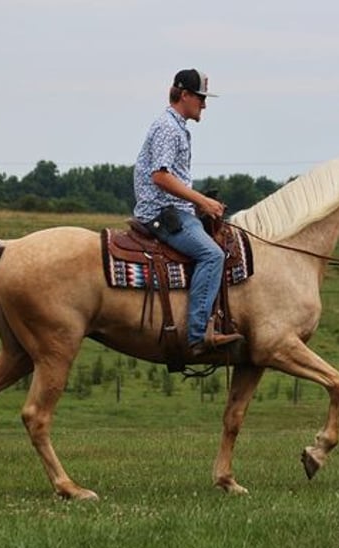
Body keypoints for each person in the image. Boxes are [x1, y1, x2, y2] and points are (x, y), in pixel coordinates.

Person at [133, 69, 244, 356]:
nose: (204, 105)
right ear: (184, 95)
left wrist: (199, 203)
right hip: (163, 212)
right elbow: (160, 176)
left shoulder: (176, 126)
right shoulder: (168, 128)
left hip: (175, 208)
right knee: (213, 254)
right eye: (201, 98)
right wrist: (202, 202)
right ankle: (197, 336)